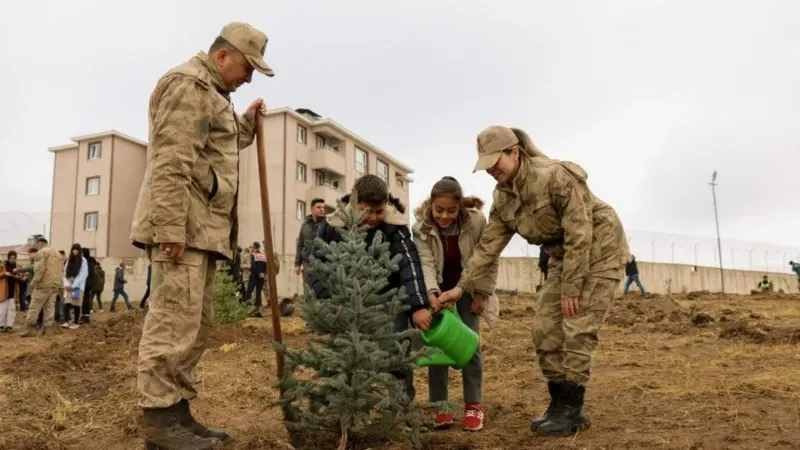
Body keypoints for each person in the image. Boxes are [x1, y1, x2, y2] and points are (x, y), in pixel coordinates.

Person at [129, 21, 273, 449]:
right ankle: (158, 420)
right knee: (173, 322)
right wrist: (169, 228)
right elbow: (172, 162)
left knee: (193, 326)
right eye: (248, 68)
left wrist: (245, 123)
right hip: (183, 230)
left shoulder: (215, 96)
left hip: (205, 231)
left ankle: (177, 413)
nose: (248, 78)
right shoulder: (188, 86)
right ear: (222, 55)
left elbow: (217, 148)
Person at [438, 126, 629, 437]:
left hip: (599, 250)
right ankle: (558, 403)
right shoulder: (503, 197)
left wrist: (572, 287)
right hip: (562, 256)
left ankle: (572, 409)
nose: (491, 171)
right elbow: (488, 247)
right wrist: (461, 287)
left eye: (495, 162)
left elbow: (580, 232)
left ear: (514, 152)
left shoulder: (556, 176)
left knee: (578, 326)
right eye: (485, 166)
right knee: (543, 328)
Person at [308, 174, 432, 404]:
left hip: (390, 300)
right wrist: (330, 300)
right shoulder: (332, 225)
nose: (374, 218)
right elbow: (316, 265)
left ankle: (400, 409)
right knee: (348, 357)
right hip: (345, 303)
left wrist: (419, 305)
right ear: (354, 204)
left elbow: (409, 264)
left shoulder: (395, 226)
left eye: (379, 211)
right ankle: (349, 409)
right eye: (367, 211)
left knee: (396, 355)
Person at [412, 176, 497, 431]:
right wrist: (432, 294)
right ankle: (441, 406)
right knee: (437, 346)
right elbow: (425, 263)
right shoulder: (421, 228)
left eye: (451, 210)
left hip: (468, 290)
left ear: (460, 206)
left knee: (470, 344)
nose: (445, 216)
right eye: (439, 210)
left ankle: (473, 405)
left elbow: (488, 258)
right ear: (431, 205)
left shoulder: (477, 221)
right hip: (437, 293)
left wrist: (482, 293)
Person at [22, 238, 63, 337]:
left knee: (34, 305)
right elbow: (61, 270)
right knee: (50, 306)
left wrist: (34, 283)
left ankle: (30, 328)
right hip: (55, 284)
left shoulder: (41, 253)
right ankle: (48, 328)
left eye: (37, 245)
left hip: (44, 284)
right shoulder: (57, 253)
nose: (36, 248)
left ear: (39, 244)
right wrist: (61, 285)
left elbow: (39, 269)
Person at [62, 244, 88, 330]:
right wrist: (66, 284)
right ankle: (66, 321)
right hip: (69, 284)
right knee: (67, 302)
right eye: (74, 249)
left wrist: (74, 286)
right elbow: (64, 272)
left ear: (79, 251)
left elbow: (83, 274)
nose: (75, 251)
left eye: (77, 249)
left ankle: (76, 322)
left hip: (77, 285)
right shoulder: (69, 260)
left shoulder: (83, 260)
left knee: (76, 303)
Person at [245, 241, 267, 317]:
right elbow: (266, 266)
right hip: (261, 277)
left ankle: (247, 307)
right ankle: (258, 307)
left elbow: (253, 265)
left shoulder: (253, 255)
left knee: (249, 290)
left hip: (254, 276)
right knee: (258, 292)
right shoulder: (263, 255)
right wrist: (263, 273)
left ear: (254, 247)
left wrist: (258, 273)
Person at [80, 248, 97, 324]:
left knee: (84, 300)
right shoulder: (91, 261)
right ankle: (85, 316)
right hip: (89, 283)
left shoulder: (86, 262)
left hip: (85, 283)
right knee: (86, 299)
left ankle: (85, 317)